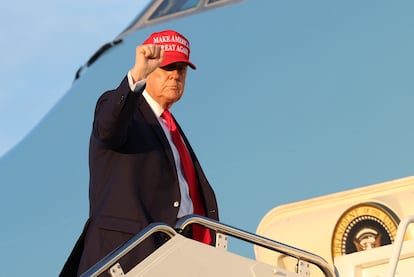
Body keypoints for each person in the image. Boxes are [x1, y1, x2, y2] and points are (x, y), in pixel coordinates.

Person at [60, 30, 219, 276]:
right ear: (150, 69)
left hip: (181, 251)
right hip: (130, 256)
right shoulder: (124, 109)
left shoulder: (171, 128)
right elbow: (108, 129)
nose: (176, 76)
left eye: (182, 69)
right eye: (168, 67)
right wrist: (136, 76)